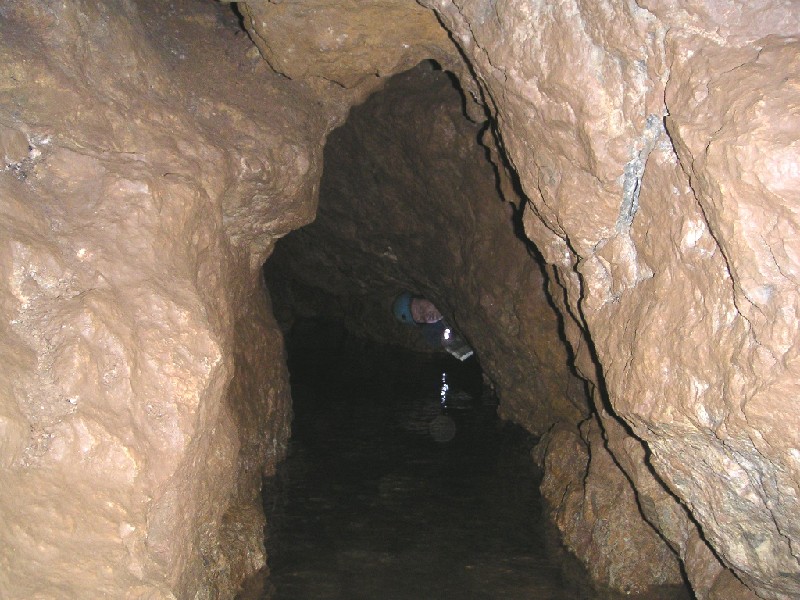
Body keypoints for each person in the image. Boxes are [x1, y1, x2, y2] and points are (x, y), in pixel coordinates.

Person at [392, 292, 474, 361]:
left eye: (421, 309)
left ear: (425, 296)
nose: (426, 317)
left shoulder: (453, 296)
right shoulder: (434, 331)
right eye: (421, 319)